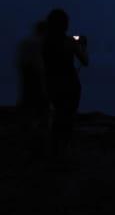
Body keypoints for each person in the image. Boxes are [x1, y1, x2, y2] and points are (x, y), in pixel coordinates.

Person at [42, 9, 89, 158]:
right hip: (70, 85)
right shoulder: (70, 42)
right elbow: (85, 61)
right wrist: (82, 46)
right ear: (65, 25)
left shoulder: (45, 43)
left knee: (57, 117)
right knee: (68, 118)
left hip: (52, 85)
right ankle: (64, 151)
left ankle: (55, 150)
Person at [16, 20, 49, 155]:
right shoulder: (41, 44)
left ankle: (26, 140)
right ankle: (39, 143)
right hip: (37, 79)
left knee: (27, 108)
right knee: (42, 111)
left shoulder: (25, 43)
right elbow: (40, 64)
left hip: (27, 78)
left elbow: (20, 62)